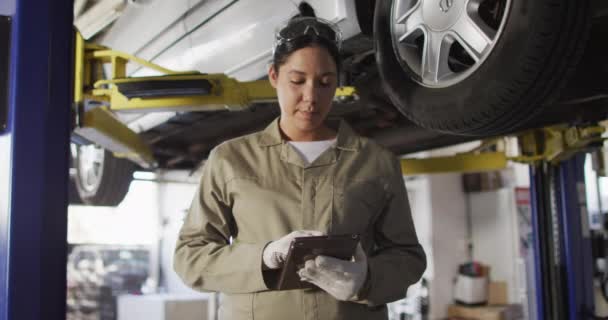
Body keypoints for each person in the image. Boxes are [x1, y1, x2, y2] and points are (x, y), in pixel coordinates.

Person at [174, 3, 426, 319]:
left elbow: (408, 257)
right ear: (274, 76)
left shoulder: (377, 163)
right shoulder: (230, 160)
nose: (311, 97)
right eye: (297, 80)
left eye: (324, 82)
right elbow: (190, 258)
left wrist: (366, 279)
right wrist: (263, 257)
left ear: (337, 82)